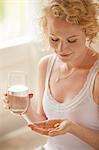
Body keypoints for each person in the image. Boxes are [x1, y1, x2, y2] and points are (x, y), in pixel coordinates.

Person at [4, 0, 99, 150]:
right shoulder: (46, 65)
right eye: (54, 39)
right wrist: (25, 109)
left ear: (88, 32)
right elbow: (46, 125)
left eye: (72, 40)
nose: (61, 48)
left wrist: (73, 128)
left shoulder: (96, 77)